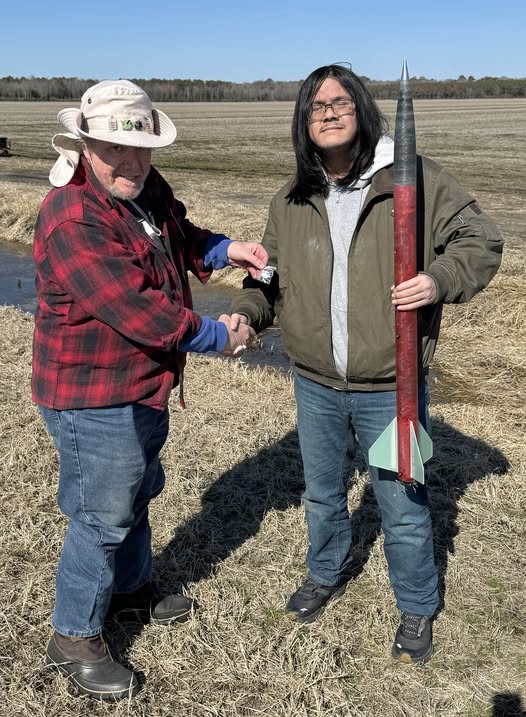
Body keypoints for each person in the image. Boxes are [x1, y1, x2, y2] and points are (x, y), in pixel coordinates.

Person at [230, 64, 503, 664]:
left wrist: (438, 279)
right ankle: (325, 572)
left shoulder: (412, 178)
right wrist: (248, 314)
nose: (328, 113)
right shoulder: (292, 197)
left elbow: (481, 241)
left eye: (340, 102)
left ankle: (417, 603)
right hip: (316, 384)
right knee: (323, 493)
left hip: (391, 386)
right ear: (303, 121)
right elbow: (269, 279)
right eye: (316, 106)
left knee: (402, 504)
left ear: (362, 109)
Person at [32, 79, 268, 700]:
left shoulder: (143, 188)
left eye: (141, 148)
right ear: (86, 146)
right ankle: (73, 637)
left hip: (140, 384)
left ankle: (131, 591)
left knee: (136, 493)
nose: (132, 161)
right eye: (115, 148)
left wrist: (226, 250)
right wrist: (219, 335)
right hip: (91, 393)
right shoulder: (72, 217)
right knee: (100, 516)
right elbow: (139, 310)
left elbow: (178, 233)